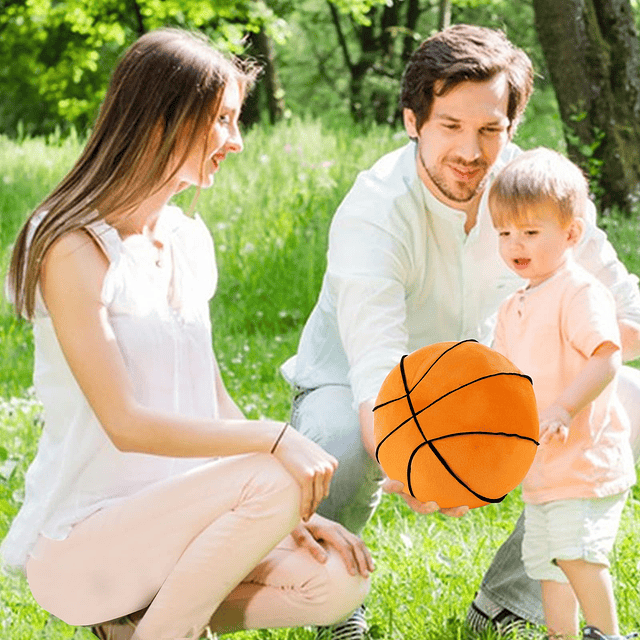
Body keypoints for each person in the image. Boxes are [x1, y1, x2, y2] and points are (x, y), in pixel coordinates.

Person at [0, 28, 372, 640]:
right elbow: (125, 423)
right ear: (161, 119)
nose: (237, 140)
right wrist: (275, 443)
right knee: (274, 469)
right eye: (223, 119)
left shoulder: (185, 239)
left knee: (337, 577)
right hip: (87, 543)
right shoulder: (73, 247)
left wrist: (285, 520)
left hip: (184, 531)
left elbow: (210, 394)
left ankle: (146, 624)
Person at [280, 23, 640, 638]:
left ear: (511, 128)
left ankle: (505, 605)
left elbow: (625, 312)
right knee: (337, 439)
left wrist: (560, 391)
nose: (471, 152)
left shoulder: (540, 191)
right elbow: (376, 368)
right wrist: (424, 462)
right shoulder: (374, 210)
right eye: (450, 126)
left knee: (625, 404)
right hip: (357, 391)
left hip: (487, 389)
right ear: (413, 121)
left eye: (489, 130)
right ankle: (333, 604)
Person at [489, 147, 635, 640]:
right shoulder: (513, 306)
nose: (515, 244)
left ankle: (605, 634)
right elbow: (501, 381)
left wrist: (563, 406)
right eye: (504, 233)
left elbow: (606, 356)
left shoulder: (579, 291)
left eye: (530, 232)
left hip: (585, 461)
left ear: (571, 233)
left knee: (578, 553)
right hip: (544, 467)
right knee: (549, 563)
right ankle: (562, 635)